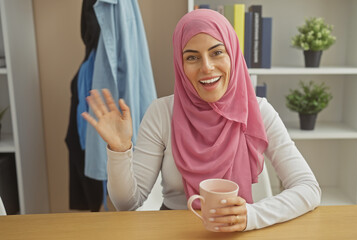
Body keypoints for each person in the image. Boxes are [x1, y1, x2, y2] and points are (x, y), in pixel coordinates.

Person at [82, 9, 321, 232]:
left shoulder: (259, 111)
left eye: (217, 52)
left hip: (238, 227)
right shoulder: (162, 113)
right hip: (174, 231)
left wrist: (252, 215)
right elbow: (127, 203)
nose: (207, 67)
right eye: (192, 57)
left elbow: (308, 188)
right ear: (180, 64)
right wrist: (120, 149)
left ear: (233, 54)